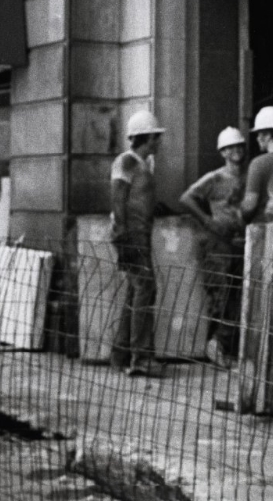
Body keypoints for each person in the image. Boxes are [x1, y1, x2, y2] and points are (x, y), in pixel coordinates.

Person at [179, 126, 247, 368]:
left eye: (238, 146)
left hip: (242, 242)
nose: (235, 151)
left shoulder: (249, 176)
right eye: (230, 148)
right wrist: (208, 221)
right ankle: (214, 345)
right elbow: (186, 198)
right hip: (219, 244)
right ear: (223, 152)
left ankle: (226, 346)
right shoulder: (215, 178)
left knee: (238, 296)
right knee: (221, 294)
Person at [110, 109, 164, 377]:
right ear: (147, 138)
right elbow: (118, 196)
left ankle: (121, 354)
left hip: (138, 234)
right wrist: (122, 233)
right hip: (131, 235)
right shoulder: (127, 161)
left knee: (136, 291)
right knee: (145, 290)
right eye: (156, 137)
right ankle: (140, 357)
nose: (159, 143)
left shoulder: (141, 165)